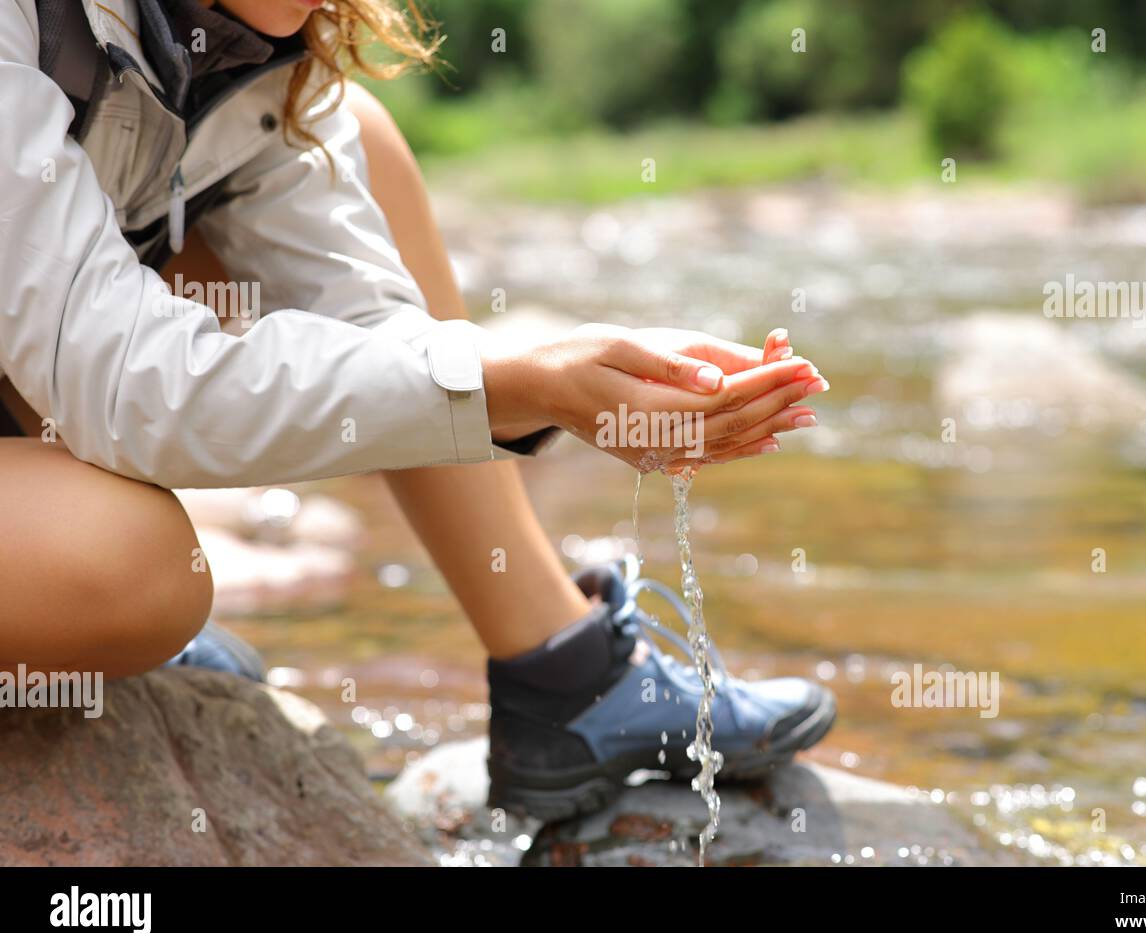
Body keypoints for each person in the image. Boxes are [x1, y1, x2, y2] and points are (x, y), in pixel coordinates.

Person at [0, 0, 835, 820]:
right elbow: (126, 383)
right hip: (74, 377)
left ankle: (565, 670)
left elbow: (371, 329)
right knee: (132, 568)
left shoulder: (256, 51)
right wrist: (524, 382)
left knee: (366, 141)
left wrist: (578, 378)